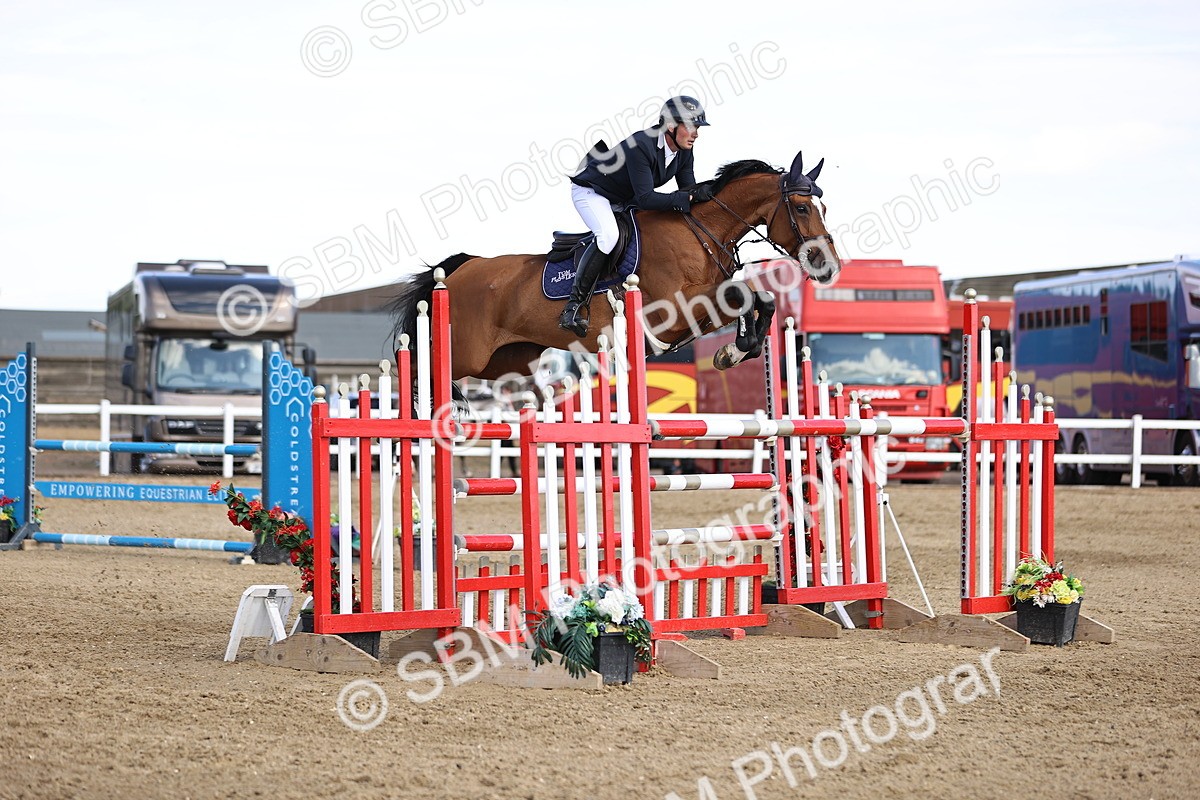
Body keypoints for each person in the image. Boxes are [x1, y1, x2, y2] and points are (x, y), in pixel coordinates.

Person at [558, 95, 715, 336]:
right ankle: (573, 307)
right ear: (671, 126)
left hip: (623, 197)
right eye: (691, 126)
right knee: (609, 236)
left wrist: (707, 194)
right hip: (592, 192)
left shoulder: (684, 151)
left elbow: (687, 190)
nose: (696, 134)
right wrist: (687, 198)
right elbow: (646, 199)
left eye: (698, 128)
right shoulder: (641, 145)